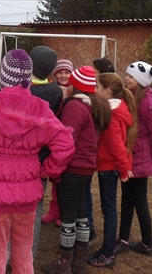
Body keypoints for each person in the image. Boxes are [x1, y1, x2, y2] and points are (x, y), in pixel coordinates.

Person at [0, 49, 75, 274]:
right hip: (28, 192)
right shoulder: (40, 109)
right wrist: (46, 171)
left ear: (3, 77)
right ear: (27, 77)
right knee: (23, 254)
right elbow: (65, 146)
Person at [41, 65, 101, 274]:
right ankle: (78, 263)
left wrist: (53, 166)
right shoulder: (92, 105)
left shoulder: (74, 107)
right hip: (85, 167)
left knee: (68, 218)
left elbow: (66, 141)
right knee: (81, 216)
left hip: (72, 168)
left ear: (76, 86)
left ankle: (63, 263)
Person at [114, 61, 152, 258]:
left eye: (131, 76)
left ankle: (148, 243)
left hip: (140, 157)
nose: (126, 78)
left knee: (139, 201)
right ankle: (123, 239)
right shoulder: (133, 96)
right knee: (127, 198)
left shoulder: (147, 103)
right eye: (127, 75)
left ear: (141, 80)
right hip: (132, 153)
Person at [86, 72, 138, 269]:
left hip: (109, 168)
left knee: (109, 210)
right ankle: (107, 250)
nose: (95, 90)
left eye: (97, 87)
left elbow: (117, 145)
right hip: (111, 166)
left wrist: (124, 169)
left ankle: (107, 254)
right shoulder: (118, 108)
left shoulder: (110, 114)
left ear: (107, 91)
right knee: (109, 209)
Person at [27, 46, 63, 261]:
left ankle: (11, 255)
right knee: (36, 207)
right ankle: (28, 256)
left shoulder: (25, 91)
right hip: (42, 156)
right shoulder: (57, 91)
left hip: (24, 156)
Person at [86, 57, 116, 243]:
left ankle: (102, 242)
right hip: (99, 156)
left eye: (93, 72)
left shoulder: (107, 107)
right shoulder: (105, 102)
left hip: (102, 159)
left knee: (107, 204)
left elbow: (114, 140)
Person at [41, 58, 74, 227]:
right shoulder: (52, 90)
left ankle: (64, 212)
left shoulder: (73, 92)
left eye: (66, 72)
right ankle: (54, 211)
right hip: (53, 137)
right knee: (55, 178)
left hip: (67, 138)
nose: (63, 75)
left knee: (65, 181)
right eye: (60, 72)